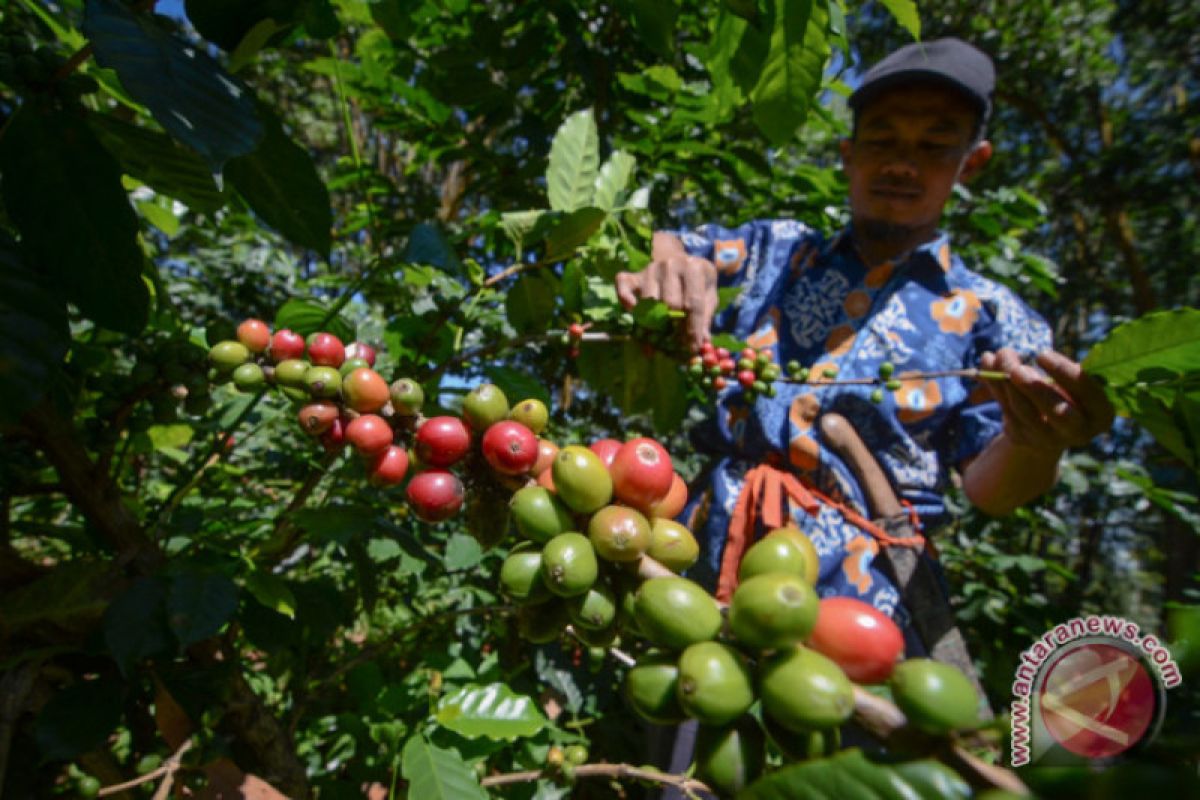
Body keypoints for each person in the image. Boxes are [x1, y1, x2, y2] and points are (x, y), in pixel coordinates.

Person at [616, 36, 1114, 654]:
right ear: (849, 154)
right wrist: (663, 258)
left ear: (973, 161)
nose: (903, 163)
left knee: (836, 740)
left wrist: (1037, 443)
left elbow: (993, 488)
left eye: (934, 144)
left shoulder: (992, 317)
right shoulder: (781, 252)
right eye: (882, 139)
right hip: (712, 560)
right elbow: (672, 246)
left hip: (868, 601)